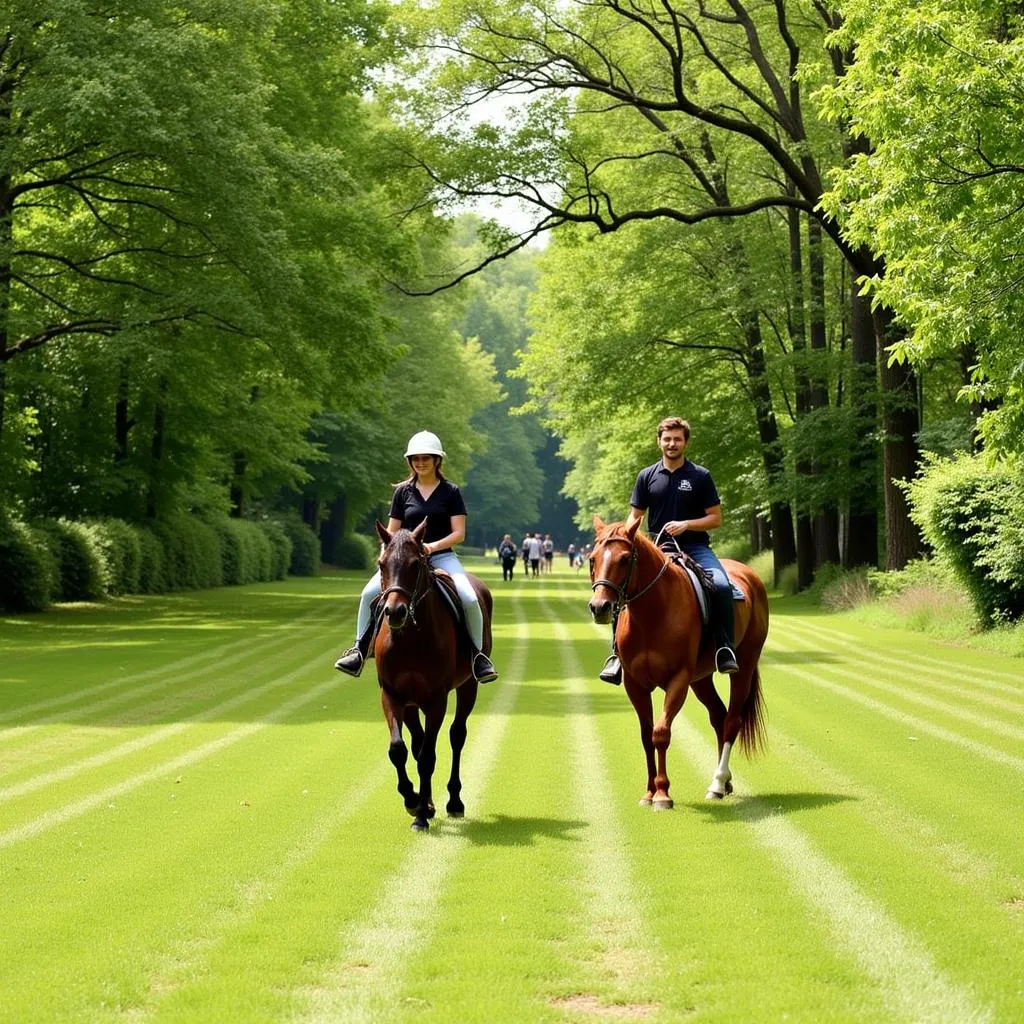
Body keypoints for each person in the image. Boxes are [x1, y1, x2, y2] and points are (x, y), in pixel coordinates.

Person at [334, 430, 498, 684]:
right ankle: (358, 649)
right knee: (368, 594)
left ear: (437, 460)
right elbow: (391, 532)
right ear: (410, 462)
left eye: (426, 458)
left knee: (468, 597)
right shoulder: (403, 492)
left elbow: (459, 533)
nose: (420, 463)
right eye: (416, 459)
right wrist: (385, 560)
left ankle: (478, 657)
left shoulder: (451, 492)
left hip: (441, 557)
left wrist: (431, 547)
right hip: (403, 563)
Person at [599, 416, 738, 685]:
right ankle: (616, 655)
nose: (672, 444)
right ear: (659, 442)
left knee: (721, 585)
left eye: (677, 439)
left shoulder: (700, 476)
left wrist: (687, 525)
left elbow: (715, 518)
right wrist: (621, 538)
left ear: (685, 442)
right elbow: (635, 516)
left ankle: (724, 647)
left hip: (695, 547)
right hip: (657, 548)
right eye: (667, 439)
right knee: (620, 589)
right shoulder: (646, 476)